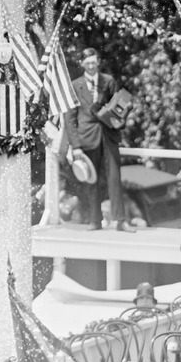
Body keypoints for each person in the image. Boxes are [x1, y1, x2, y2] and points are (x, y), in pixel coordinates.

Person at [64, 48, 133, 233]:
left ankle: (120, 220)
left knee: (114, 177)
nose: (91, 65)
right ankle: (95, 220)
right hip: (86, 136)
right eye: (87, 63)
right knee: (91, 179)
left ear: (98, 62)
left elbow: (119, 105)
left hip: (108, 134)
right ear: (82, 64)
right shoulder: (74, 85)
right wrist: (75, 146)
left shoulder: (108, 81)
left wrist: (123, 114)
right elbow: (70, 118)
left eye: (94, 62)